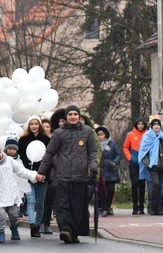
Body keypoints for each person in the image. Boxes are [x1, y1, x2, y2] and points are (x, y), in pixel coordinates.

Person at [38, 104, 97, 244]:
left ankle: (73, 232)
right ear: (66, 117)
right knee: (62, 205)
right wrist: (41, 171)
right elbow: (49, 153)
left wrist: (94, 167)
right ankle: (65, 229)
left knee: (78, 207)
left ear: (79, 116)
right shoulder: (59, 133)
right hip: (63, 176)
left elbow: (92, 153)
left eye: (75, 114)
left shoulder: (88, 132)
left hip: (81, 176)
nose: (72, 117)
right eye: (70, 115)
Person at [0, 142, 43, 243]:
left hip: (11, 193)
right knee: (1, 214)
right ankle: (1, 232)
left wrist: (34, 175)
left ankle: (14, 228)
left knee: (13, 214)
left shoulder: (9, 160)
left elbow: (21, 171)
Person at [18, 116, 51, 238]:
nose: (34, 126)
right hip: (29, 174)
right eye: (31, 124)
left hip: (42, 175)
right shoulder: (23, 140)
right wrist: (27, 169)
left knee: (40, 203)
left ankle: (38, 223)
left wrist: (44, 173)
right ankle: (33, 225)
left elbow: (49, 158)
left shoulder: (46, 140)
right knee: (31, 200)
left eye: (36, 124)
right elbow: (20, 157)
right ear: (28, 125)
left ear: (40, 125)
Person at [138, 117, 163, 216]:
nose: (156, 127)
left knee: (159, 186)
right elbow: (143, 152)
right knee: (155, 184)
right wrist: (148, 164)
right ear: (151, 127)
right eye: (154, 125)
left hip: (161, 165)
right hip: (152, 166)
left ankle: (158, 207)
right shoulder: (147, 137)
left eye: (158, 125)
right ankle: (152, 206)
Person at [123, 117, 148, 214]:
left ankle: (141, 206)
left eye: (142, 124)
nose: (140, 125)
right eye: (139, 124)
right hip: (133, 163)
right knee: (135, 183)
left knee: (142, 184)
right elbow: (125, 147)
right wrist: (130, 158)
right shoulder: (130, 134)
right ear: (136, 125)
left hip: (143, 163)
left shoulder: (147, 134)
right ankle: (135, 206)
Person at [95, 126, 121, 217]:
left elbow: (118, 154)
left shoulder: (112, 143)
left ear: (105, 135)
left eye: (101, 134)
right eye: (98, 135)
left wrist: (115, 162)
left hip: (111, 169)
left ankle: (108, 206)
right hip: (100, 169)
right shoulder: (95, 144)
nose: (100, 137)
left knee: (110, 189)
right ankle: (104, 208)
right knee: (101, 191)